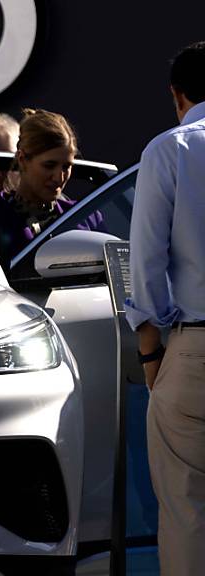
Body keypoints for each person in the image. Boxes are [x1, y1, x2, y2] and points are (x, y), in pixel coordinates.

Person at [124, 41, 205, 576]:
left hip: (195, 352)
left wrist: (151, 355)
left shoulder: (171, 149)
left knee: (186, 513)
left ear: (177, 96)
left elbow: (146, 261)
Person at [0, 108, 103, 268]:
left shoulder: (87, 217)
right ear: (22, 159)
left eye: (66, 167)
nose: (59, 177)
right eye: (49, 165)